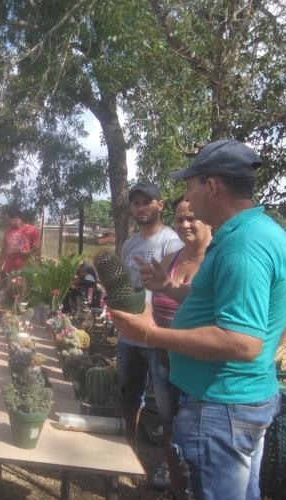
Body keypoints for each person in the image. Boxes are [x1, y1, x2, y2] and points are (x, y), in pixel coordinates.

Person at [111, 139, 286, 500]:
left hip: (222, 406)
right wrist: (168, 287)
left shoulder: (244, 246)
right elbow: (222, 302)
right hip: (237, 401)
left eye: (190, 186)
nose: (188, 197)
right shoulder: (258, 232)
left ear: (212, 186)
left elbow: (241, 342)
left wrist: (150, 334)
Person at [135, 196, 212, 492]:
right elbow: (151, 298)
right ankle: (176, 483)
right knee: (168, 423)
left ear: (207, 218)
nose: (184, 224)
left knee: (197, 432)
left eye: (192, 217)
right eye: (179, 219)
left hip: (199, 364)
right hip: (164, 358)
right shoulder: (171, 259)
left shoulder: (216, 259)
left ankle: (194, 486)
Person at [116, 181, 183, 489]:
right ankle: (126, 452)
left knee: (168, 408)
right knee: (129, 398)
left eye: (147, 201)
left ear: (160, 204)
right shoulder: (129, 245)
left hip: (158, 336)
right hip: (129, 335)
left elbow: (171, 289)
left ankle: (170, 466)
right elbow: (123, 285)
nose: (141, 207)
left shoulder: (171, 241)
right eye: (136, 203)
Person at [0, 206, 40, 278]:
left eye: (8, 220)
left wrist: (28, 253)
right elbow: (3, 251)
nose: (7, 223)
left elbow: (37, 250)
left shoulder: (32, 230)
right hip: (8, 271)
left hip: (25, 272)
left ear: (16, 217)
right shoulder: (7, 232)